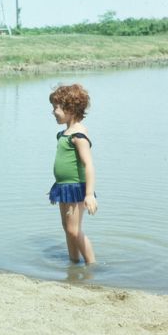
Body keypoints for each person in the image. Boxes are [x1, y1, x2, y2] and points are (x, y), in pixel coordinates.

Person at [49, 83, 97, 264]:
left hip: (76, 187)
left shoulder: (78, 135)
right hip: (63, 187)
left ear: (70, 108)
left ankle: (92, 265)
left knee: (74, 230)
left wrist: (90, 194)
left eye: (56, 108)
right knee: (67, 228)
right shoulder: (63, 134)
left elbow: (89, 164)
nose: (53, 112)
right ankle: (74, 263)